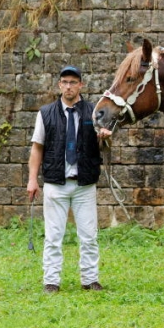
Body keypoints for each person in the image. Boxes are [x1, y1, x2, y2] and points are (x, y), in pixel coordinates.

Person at [27, 65, 109, 293]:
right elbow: (37, 148)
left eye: (73, 82)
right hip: (55, 183)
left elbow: (104, 146)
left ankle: (90, 279)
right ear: (59, 85)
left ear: (81, 85)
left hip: (84, 183)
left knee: (89, 235)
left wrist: (104, 137)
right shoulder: (45, 113)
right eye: (65, 82)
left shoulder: (94, 112)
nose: (69, 86)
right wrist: (32, 179)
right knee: (53, 236)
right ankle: (51, 281)